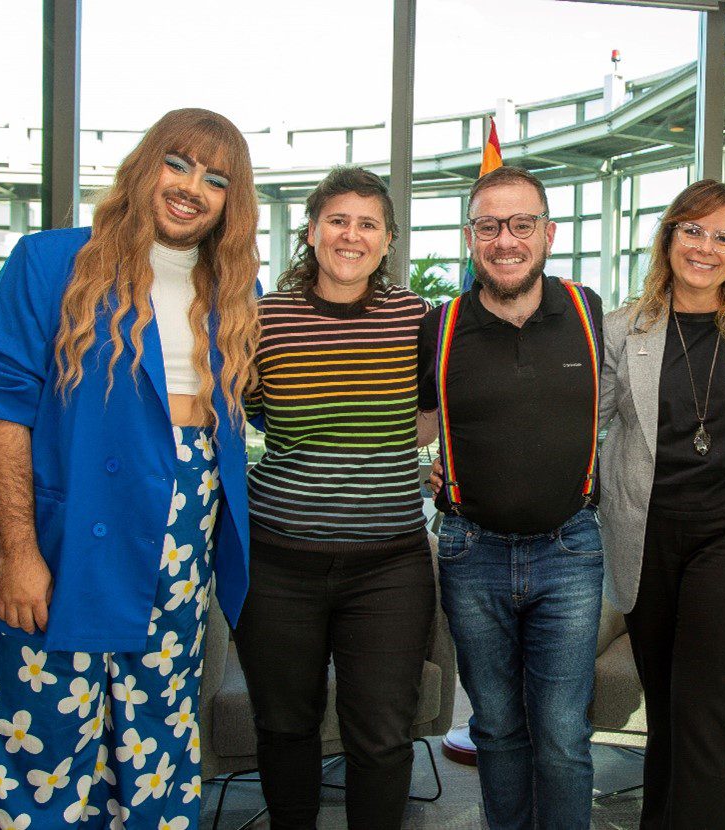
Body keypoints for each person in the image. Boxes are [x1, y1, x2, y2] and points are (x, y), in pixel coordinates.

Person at [0, 108, 260, 829]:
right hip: (68, 539)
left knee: (157, 732)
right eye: (177, 164)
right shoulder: (50, 259)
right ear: (145, 165)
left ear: (231, 202)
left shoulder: (231, 291)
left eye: (216, 179)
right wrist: (19, 554)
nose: (192, 188)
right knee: (46, 738)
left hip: (182, 541)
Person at [232, 166, 437, 830]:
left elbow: (441, 417)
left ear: (386, 241)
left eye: (368, 223)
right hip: (277, 563)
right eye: (339, 220)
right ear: (312, 230)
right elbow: (245, 411)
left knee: (381, 733)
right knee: (285, 725)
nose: (352, 235)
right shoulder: (263, 320)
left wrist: (443, 472)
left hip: (389, 566)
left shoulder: (419, 320)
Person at [417, 165, 604, 830]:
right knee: (495, 728)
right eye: (489, 226)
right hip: (472, 554)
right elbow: (418, 427)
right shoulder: (437, 327)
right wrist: (434, 469)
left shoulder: (589, 313)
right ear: (471, 238)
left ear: (547, 234)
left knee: (560, 732)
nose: (506, 239)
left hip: (569, 551)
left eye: (521, 224)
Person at [597, 179, 725, 829]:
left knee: (703, 704)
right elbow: (585, 424)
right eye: (693, 230)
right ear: (669, 237)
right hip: (644, 538)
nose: (705, 247)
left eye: (722, 236)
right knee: (671, 704)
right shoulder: (623, 330)